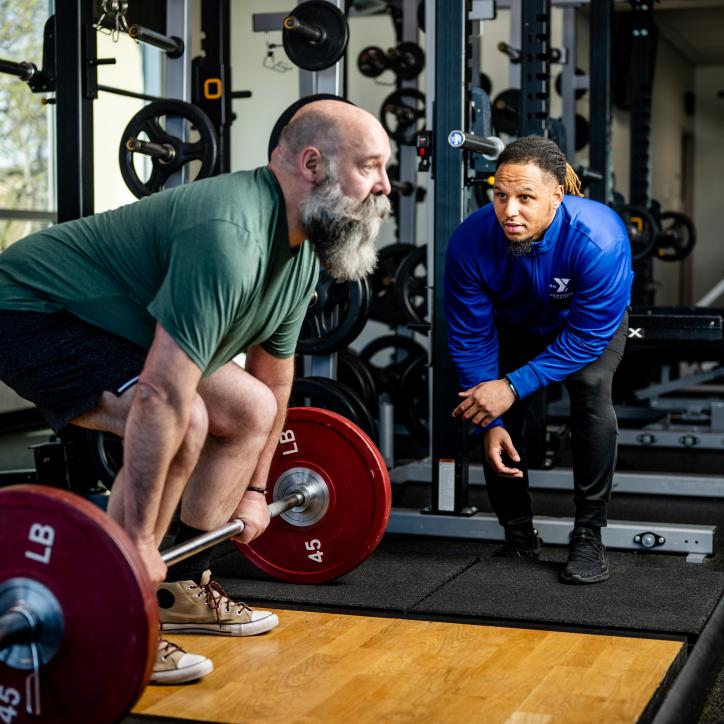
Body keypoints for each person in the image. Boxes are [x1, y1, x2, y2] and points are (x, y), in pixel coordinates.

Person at [0, 98, 392, 681]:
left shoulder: (300, 252)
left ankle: (178, 588)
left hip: (117, 322)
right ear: (313, 165)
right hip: (32, 312)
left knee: (251, 409)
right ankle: (119, 603)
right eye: (371, 166)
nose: (385, 186)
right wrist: (135, 547)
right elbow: (160, 396)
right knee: (185, 422)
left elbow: (274, 377)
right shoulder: (229, 235)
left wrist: (258, 489)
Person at [444, 135, 633, 585]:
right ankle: (517, 533)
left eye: (526, 197)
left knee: (589, 389)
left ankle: (588, 533)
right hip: (516, 324)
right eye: (500, 195)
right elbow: (471, 338)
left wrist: (511, 385)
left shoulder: (599, 238)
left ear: (556, 196)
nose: (510, 211)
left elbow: (587, 338)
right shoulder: (470, 242)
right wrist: (490, 418)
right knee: (485, 405)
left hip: (586, 330)